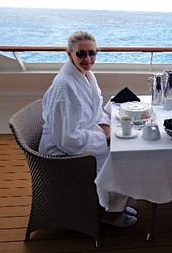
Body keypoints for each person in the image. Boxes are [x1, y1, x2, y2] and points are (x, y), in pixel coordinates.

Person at [38, 30, 137, 227]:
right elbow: (68, 139)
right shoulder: (65, 86)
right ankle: (111, 214)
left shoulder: (86, 75)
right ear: (69, 54)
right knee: (122, 158)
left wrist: (105, 128)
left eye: (92, 53)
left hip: (78, 135)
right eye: (81, 54)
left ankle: (115, 204)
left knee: (122, 149)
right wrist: (105, 138)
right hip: (61, 152)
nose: (88, 59)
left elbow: (95, 109)